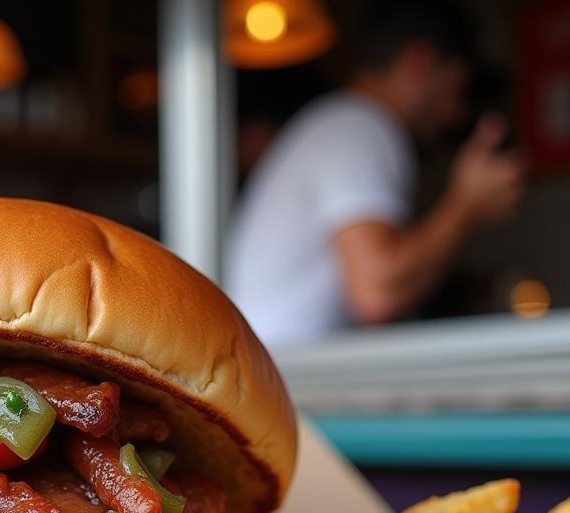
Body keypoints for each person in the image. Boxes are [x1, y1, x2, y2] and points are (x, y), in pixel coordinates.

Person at [224, 0, 525, 350]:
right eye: (456, 90)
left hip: (273, 373)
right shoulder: (362, 126)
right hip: (283, 383)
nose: (455, 113)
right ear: (420, 63)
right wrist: (466, 206)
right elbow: (378, 292)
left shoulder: (337, 121)